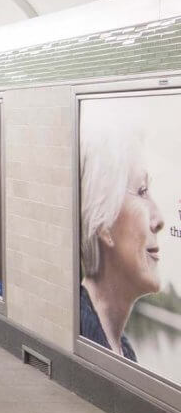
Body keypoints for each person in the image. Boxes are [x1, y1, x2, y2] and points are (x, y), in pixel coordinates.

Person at [79, 115, 165, 362]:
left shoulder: (123, 350)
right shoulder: (85, 329)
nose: (158, 219)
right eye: (141, 191)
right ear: (104, 224)